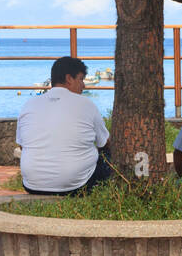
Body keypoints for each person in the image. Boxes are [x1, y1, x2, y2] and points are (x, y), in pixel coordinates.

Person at [15, 56, 111, 195]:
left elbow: (23, 146)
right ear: (69, 79)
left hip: (32, 185)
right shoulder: (86, 104)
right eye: (81, 79)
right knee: (108, 156)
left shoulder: (28, 105)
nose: (83, 85)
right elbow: (105, 144)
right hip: (77, 185)